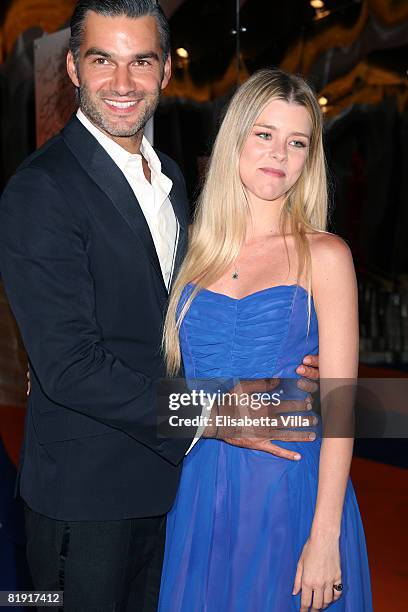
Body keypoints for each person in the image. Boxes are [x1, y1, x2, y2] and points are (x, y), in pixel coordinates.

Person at [0, 2, 320, 610]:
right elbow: (70, 368)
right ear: (72, 68)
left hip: (174, 491)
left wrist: (296, 345)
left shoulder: (169, 177)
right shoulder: (41, 191)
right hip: (88, 500)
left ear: (165, 72)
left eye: (140, 62)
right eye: (103, 60)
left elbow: (192, 313)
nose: (122, 85)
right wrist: (213, 414)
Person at [159, 69, 373, 611]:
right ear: (235, 139)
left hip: (292, 493)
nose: (279, 153)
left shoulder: (327, 255)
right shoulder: (189, 255)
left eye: (296, 141)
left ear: (309, 158)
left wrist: (325, 536)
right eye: (264, 134)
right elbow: (159, 384)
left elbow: (341, 406)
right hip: (201, 490)